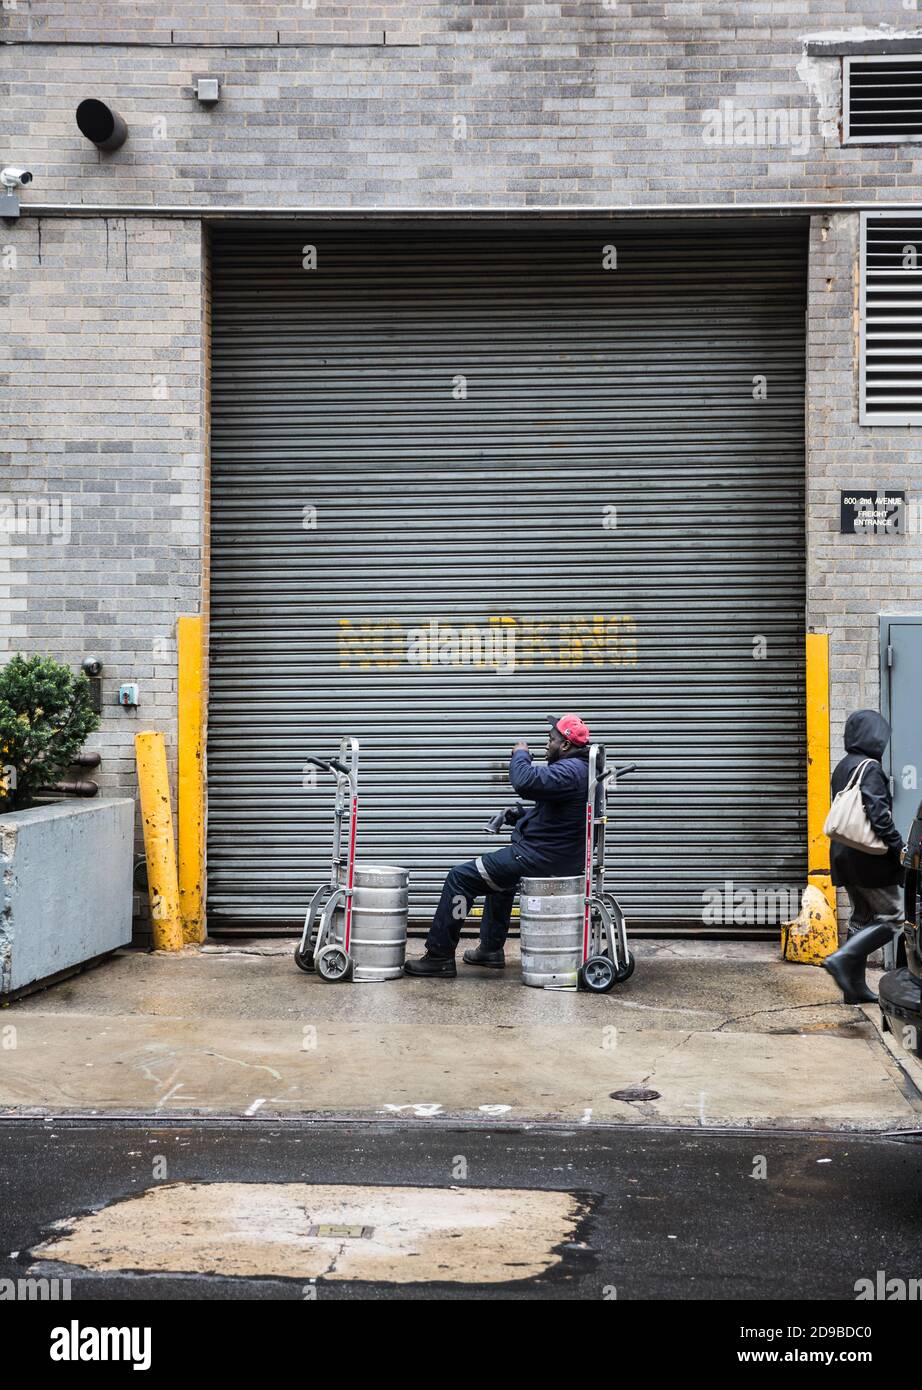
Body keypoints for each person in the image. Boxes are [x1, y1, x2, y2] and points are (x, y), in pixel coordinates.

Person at [404, 714, 592, 978]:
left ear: (565, 745)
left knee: (460, 878)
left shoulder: (570, 771)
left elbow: (524, 781)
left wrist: (520, 755)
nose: (547, 745)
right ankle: (490, 950)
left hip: (539, 858)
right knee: (498, 882)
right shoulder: (581, 770)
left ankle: (439, 955)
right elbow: (561, 815)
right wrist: (521, 816)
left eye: (551, 740)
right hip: (553, 854)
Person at [823, 709, 905, 1004]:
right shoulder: (870, 767)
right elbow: (879, 816)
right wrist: (899, 848)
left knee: (861, 917)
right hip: (867, 859)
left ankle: (853, 990)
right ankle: (842, 958)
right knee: (894, 917)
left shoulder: (844, 766)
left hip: (844, 855)